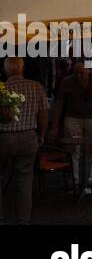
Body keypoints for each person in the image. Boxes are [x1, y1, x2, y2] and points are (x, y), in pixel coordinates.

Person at [49, 57, 92, 193]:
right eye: (76, 73)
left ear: (88, 71)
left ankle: (88, 180)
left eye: (81, 73)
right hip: (73, 118)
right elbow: (59, 103)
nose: (79, 76)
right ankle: (76, 181)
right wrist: (55, 125)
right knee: (73, 149)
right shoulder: (68, 82)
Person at [0, 57, 48, 225]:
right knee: (24, 182)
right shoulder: (36, 87)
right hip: (28, 138)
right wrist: (41, 134)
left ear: (5, 71)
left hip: (3, 138)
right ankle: (23, 220)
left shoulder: (2, 89)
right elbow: (43, 115)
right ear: (23, 68)